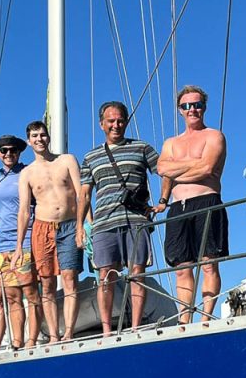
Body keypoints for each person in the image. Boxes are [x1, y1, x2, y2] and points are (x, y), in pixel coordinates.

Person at [76, 101, 159, 335]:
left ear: (126, 122)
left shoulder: (142, 148)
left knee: (137, 273)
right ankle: (106, 330)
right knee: (105, 276)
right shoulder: (91, 157)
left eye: (120, 120)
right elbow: (84, 194)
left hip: (136, 220)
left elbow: (164, 169)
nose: (116, 125)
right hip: (103, 223)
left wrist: (163, 199)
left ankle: (134, 327)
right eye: (111, 121)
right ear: (102, 124)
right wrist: (79, 228)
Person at [155, 86, 228, 323]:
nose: (192, 109)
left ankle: (206, 316)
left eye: (196, 105)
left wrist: (179, 171)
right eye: (187, 106)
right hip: (178, 207)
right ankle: (184, 319)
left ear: (204, 107)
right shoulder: (171, 143)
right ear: (180, 110)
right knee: (182, 267)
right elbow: (162, 170)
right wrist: (164, 199)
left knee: (208, 264)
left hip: (206, 201)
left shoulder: (214, 136)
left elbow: (207, 167)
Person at [13, 121, 83, 342]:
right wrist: (18, 247)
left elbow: (81, 194)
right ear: (29, 141)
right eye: (35, 136)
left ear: (48, 137)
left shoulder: (67, 160)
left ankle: (69, 331)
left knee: (70, 277)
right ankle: (53, 334)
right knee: (47, 283)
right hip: (42, 229)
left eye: (43, 135)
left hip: (70, 224)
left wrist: (86, 225)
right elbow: (24, 210)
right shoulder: (27, 173)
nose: (39, 139)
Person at [0, 135, 41, 352]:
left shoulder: (27, 173)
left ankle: (32, 340)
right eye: (3, 151)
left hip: (26, 241)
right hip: (2, 246)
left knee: (31, 294)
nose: (8, 154)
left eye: (12, 150)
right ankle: (17, 343)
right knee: (10, 297)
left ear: (19, 152)